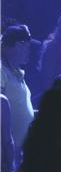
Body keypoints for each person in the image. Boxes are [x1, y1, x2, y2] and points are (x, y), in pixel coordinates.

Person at [1, 25, 37, 162]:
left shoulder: (17, 72)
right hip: (7, 151)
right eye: (26, 46)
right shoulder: (1, 71)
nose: (29, 51)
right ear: (16, 45)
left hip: (20, 150)